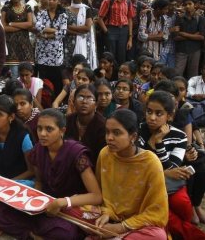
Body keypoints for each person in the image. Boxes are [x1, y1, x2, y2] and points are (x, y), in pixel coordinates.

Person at [0, 108, 102, 239]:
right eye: (39, 128)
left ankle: (33, 231)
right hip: (44, 206)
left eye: (49, 129)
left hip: (67, 208)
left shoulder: (77, 154)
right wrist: (33, 202)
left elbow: (96, 196)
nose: (42, 134)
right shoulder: (38, 150)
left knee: (65, 234)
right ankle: (30, 235)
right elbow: (39, 181)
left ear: (62, 131)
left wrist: (62, 202)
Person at [138, 91, 205, 239]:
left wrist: (159, 142)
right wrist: (153, 140)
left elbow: (171, 168)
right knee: (165, 213)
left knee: (183, 204)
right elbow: (140, 165)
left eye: (159, 113)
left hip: (170, 186)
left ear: (169, 116)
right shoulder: (139, 130)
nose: (152, 117)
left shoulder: (180, 136)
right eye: (149, 112)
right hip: (145, 185)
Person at [94, 109, 168, 239]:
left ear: (133, 137)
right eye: (107, 132)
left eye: (117, 133)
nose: (109, 138)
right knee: (74, 211)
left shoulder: (150, 162)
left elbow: (157, 211)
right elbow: (99, 193)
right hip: (107, 215)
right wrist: (106, 212)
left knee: (158, 236)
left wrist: (120, 227)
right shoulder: (105, 154)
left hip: (137, 223)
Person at [35, 0, 68, 96]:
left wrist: (45, 33)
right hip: (42, 53)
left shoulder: (63, 15)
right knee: (43, 81)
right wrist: (54, 30)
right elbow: (38, 27)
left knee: (57, 80)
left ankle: (56, 104)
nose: (51, 1)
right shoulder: (41, 13)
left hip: (56, 54)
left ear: (59, 1)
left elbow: (63, 33)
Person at [66, 84, 106, 165]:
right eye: (80, 97)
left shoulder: (103, 125)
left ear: (96, 104)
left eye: (90, 98)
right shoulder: (68, 120)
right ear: (73, 101)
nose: (84, 102)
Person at [98, 0, 135, 65]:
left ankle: (120, 76)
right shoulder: (108, 1)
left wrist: (130, 38)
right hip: (111, 29)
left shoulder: (128, 3)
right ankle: (110, 76)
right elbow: (100, 18)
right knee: (110, 55)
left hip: (124, 31)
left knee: (122, 55)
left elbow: (130, 19)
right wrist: (106, 32)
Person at [1, 0, 34, 78]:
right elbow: (3, 27)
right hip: (11, 46)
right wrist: (23, 26)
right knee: (15, 76)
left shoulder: (27, 7)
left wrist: (12, 24)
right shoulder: (6, 8)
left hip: (25, 46)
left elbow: (30, 24)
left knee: (27, 75)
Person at [65, 0, 97, 69]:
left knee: (83, 66)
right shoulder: (65, 10)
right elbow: (63, 29)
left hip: (84, 41)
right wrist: (78, 32)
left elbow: (87, 28)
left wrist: (70, 27)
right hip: (68, 42)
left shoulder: (86, 9)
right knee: (69, 66)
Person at [174, 0, 205, 78]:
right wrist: (194, 35)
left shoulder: (200, 19)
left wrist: (183, 33)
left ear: (195, 5)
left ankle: (191, 91)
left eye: (189, 4)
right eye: (185, 4)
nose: (187, 6)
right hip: (181, 50)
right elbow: (176, 37)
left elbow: (201, 37)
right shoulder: (179, 18)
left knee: (193, 75)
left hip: (195, 50)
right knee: (177, 73)